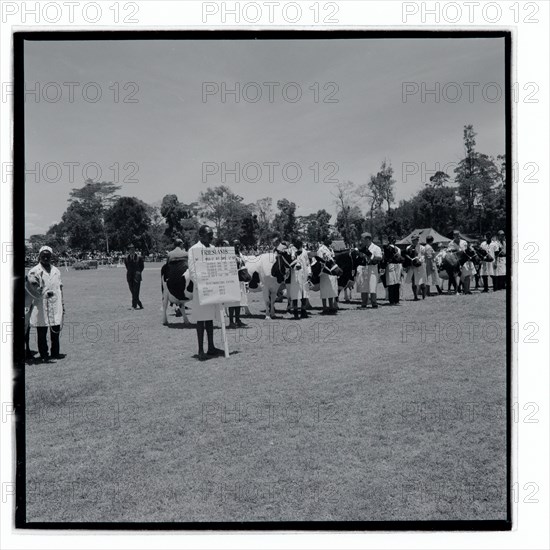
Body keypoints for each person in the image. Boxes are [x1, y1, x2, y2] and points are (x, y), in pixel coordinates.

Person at [188, 225, 224, 360]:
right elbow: (192, 271)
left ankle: (211, 347)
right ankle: (200, 350)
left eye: (212, 235)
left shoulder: (213, 249)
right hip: (200, 290)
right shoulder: (193, 250)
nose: (211, 237)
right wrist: (202, 285)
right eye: (209, 235)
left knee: (209, 318)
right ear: (201, 235)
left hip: (212, 289)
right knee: (201, 320)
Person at [28, 246, 65, 363]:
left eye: (48, 256)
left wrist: (62, 303)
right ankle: (44, 354)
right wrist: (42, 292)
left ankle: (55, 352)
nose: (45, 258)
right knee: (42, 332)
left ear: (51, 256)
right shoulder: (34, 271)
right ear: (39, 256)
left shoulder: (56, 271)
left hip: (56, 304)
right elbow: (32, 289)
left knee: (55, 330)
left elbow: (60, 287)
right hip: (41, 305)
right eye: (43, 255)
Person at [356, 232, 382, 309]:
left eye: (362, 239)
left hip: (372, 269)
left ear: (368, 239)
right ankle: (364, 302)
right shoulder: (361, 248)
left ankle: (374, 302)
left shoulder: (376, 248)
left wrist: (370, 256)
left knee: (372, 286)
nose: (361, 241)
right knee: (363, 286)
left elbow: (379, 258)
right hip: (363, 269)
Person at [288, 238, 311, 319]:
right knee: (295, 294)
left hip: (304, 275)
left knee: (304, 294)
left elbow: (308, 263)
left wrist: (309, 272)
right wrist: (294, 254)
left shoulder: (304, 252)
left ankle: (303, 311)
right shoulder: (291, 251)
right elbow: (290, 261)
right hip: (295, 276)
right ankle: (295, 312)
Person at [227, 240, 248, 329]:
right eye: (236, 244)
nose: (238, 246)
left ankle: (238, 320)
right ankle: (231, 321)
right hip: (232, 280)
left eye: (239, 244)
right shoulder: (229, 255)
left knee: (239, 301)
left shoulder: (240, 254)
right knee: (232, 302)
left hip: (239, 280)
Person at [317, 236, 338, 314]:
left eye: (330, 238)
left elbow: (333, 259)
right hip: (325, 272)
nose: (329, 240)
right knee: (325, 290)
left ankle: (331, 306)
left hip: (332, 272)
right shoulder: (321, 249)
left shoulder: (331, 249)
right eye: (327, 239)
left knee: (331, 290)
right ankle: (325, 307)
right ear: (324, 240)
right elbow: (319, 261)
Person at [404, 234, 427, 300]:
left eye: (415, 240)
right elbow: (407, 257)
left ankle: (423, 296)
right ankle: (415, 296)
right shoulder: (408, 248)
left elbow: (423, 256)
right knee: (413, 281)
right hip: (412, 266)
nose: (414, 241)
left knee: (422, 281)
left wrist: (418, 260)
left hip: (420, 266)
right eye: (412, 240)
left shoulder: (422, 248)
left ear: (418, 240)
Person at [383, 236, 402, 305]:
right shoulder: (387, 248)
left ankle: (396, 299)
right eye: (391, 239)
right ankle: (392, 300)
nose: (393, 240)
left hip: (397, 265)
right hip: (390, 264)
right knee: (391, 283)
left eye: (394, 239)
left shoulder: (398, 249)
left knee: (397, 283)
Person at [124, 245, 144, 309]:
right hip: (129, 276)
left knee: (136, 291)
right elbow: (127, 267)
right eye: (130, 249)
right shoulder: (126, 258)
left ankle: (134, 305)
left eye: (133, 249)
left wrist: (138, 272)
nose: (132, 251)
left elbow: (142, 267)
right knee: (132, 291)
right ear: (128, 251)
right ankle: (139, 303)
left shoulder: (139, 257)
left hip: (137, 276)